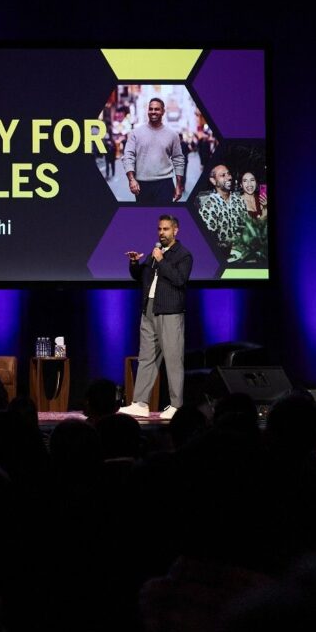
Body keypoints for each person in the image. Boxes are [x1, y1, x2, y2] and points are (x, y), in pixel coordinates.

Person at [120, 214, 193, 420]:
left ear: (175, 231)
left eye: (166, 229)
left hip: (170, 311)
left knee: (172, 359)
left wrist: (161, 261)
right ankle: (140, 403)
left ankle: (176, 405)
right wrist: (135, 263)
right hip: (149, 309)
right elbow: (141, 277)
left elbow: (179, 280)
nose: (161, 233)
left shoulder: (183, 255)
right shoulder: (155, 253)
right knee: (146, 358)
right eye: (159, 229)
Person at [121, 98, 186, 204]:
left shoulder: (172, 135)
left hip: (165, 184)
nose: (153, 112)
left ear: (163, 111)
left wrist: (179, 185)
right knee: (144, 217)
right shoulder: (135, 133)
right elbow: (128, 156)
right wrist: (131, 180)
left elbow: (178, 159)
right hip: (142, 185)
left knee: (163, 215)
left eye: (157, 109)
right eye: (150, 109)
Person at [197, 164, 253, 262]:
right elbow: (206, 240)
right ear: (213, 181)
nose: (229, 177)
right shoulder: (209, 206)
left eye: (229, 174)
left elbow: (247, 226)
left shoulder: (238, 199)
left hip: (243, 254)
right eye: (223, 175)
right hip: (222, 259)